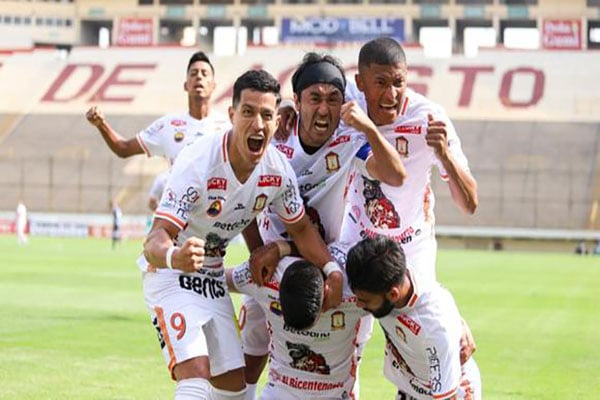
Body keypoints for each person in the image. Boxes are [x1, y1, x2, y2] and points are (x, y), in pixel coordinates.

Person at [140, 69, 343, 400]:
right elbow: (155, 239)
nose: (258, 124)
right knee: (196, 378)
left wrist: (331, 269)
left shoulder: (277, 171)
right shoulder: (198, 162)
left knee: (234, 389)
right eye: (248, 112)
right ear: (232, 115)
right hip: (171, 272)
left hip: (212, 276)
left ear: (277, 121)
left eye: (266, 115)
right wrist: (175, 256)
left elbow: (301, 228)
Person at [239, 52, 406, 398]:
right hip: (271, 264)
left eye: (333, 99)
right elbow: (242, 201)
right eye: (314, 98)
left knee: (345, 360)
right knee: (250, 360)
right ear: (297, 101)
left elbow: (395, 175)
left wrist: (368, 128)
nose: (324, 109)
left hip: (327, 263)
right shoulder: (274, 139)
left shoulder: (349, 142)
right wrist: (257, 253)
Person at [341, 36, 479, 288]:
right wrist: (287, 111)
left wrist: (445, 156)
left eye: (398, 82)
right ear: (360, 83)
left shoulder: (429, 118)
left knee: (418, 314)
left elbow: (469, 204)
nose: (391, 94)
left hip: (412, 247)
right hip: (357, 241)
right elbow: (307, 95)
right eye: (381, 83)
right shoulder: (347, 99)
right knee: (341, 309)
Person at [226, 242, 368, 400]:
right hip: (278, 393)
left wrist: (281, 248)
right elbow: (218, 279)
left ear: (325, 293)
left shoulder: (354, 291)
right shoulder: (265, 276)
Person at [345, 236, 481, 399]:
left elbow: (447, 396)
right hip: (412, 385)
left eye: (365, 300)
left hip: (450, 390)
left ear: (393, 294)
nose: (358, 304)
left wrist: (456, 322)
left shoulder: (434, 329)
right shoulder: (395, 272)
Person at [86, 51, 230, 166]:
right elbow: (123, 148)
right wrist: (101, 125)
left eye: (204, 73)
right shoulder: (168, 125)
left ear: (213, 86)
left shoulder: (227, 127)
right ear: (186, 85)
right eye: (193, 73)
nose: (198, 77)